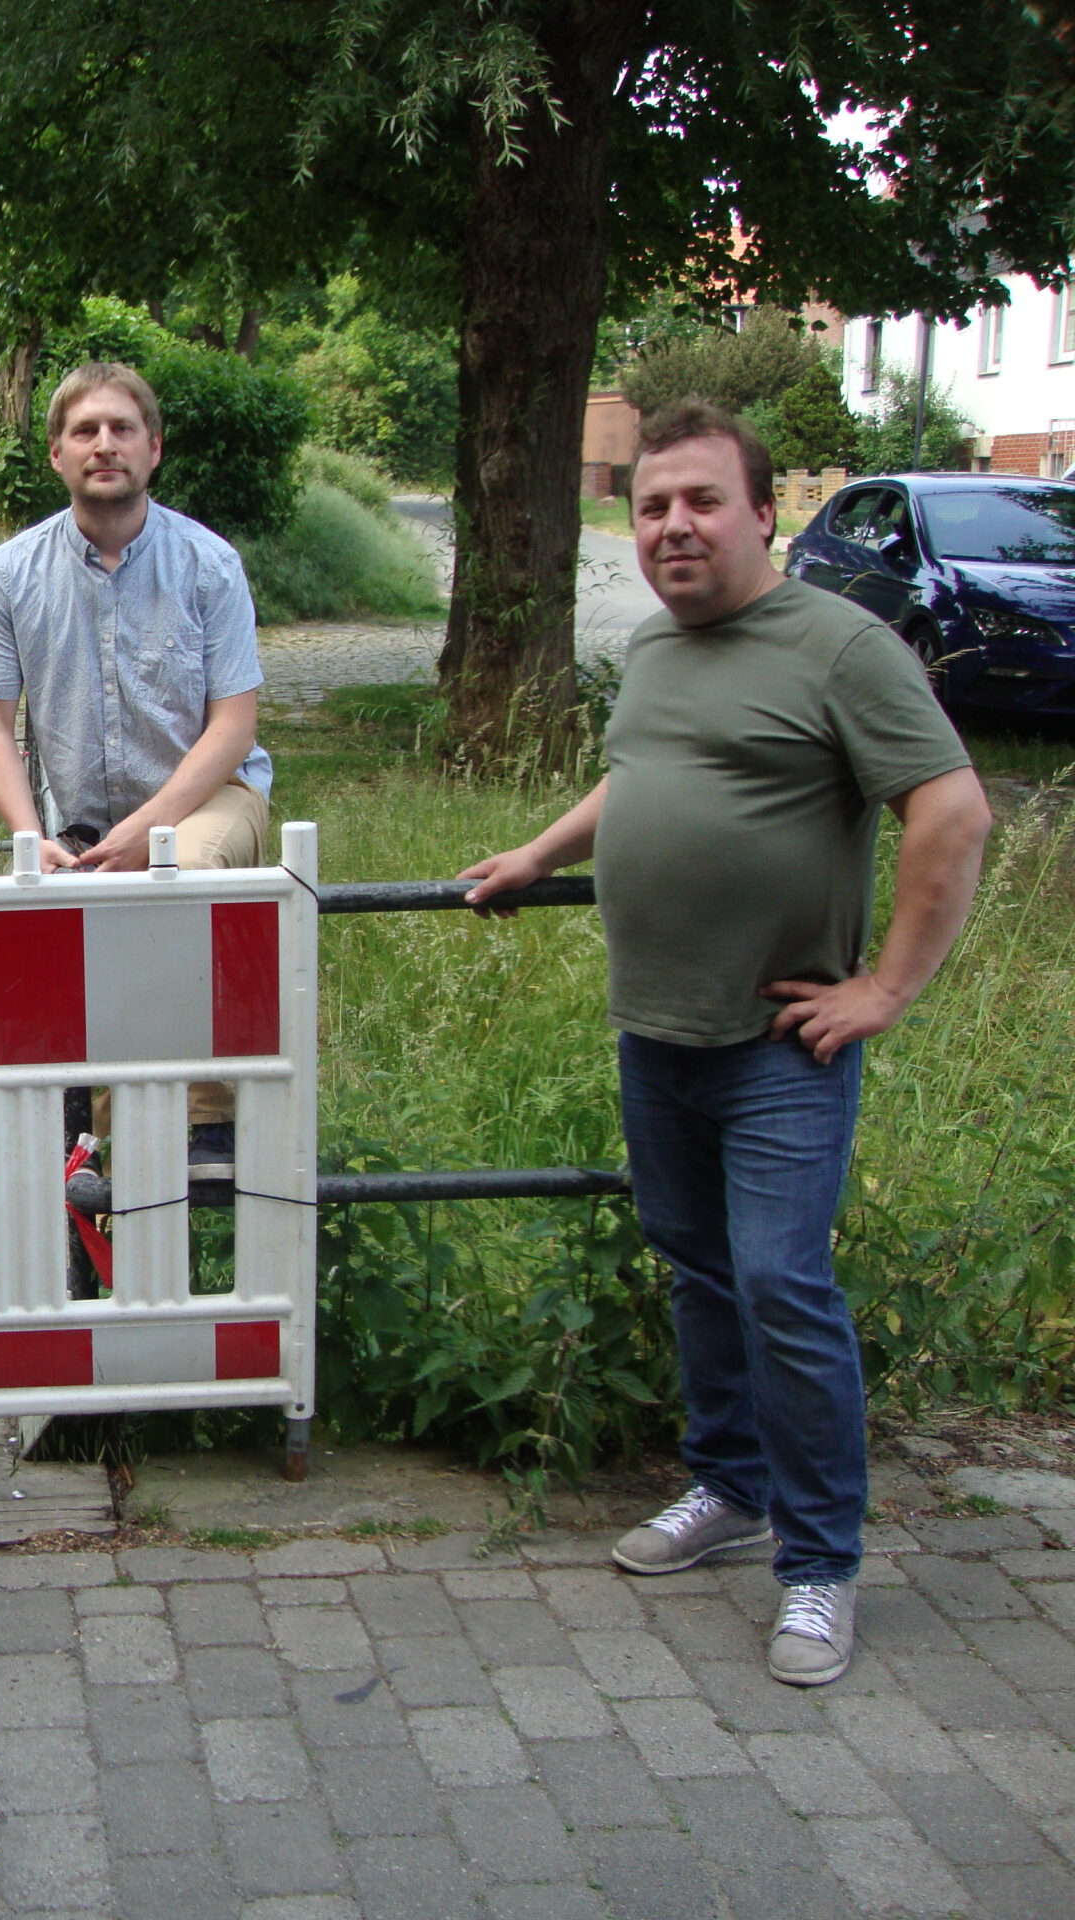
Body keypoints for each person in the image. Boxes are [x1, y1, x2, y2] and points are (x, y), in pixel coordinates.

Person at [460, 402, 991, 1686]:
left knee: (779, 1289)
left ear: (763, 514)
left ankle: (818, 1565)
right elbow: (642, 777)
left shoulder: (839, 647)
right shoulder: (653, 647)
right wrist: (541, 850)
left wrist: (883, 989)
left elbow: (953, 810)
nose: (674, 526)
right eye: (651, 507)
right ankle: (729, 1487)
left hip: (777, 1049)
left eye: (701, 501)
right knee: (699, 1268)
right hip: (658, 1032)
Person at [0, 361, 274, 1170]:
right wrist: (29, 836)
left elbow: (233, 727)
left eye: (122, 428)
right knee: (78, 932)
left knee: (182, 872)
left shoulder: (209, 565)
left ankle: (203, 1128)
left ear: (155, 448)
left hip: (213, 795)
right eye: (84, 430)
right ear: (57, 455)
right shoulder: (11, 573)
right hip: (82, 821)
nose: (105, 445)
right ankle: (110, 1140)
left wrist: (150, 828)